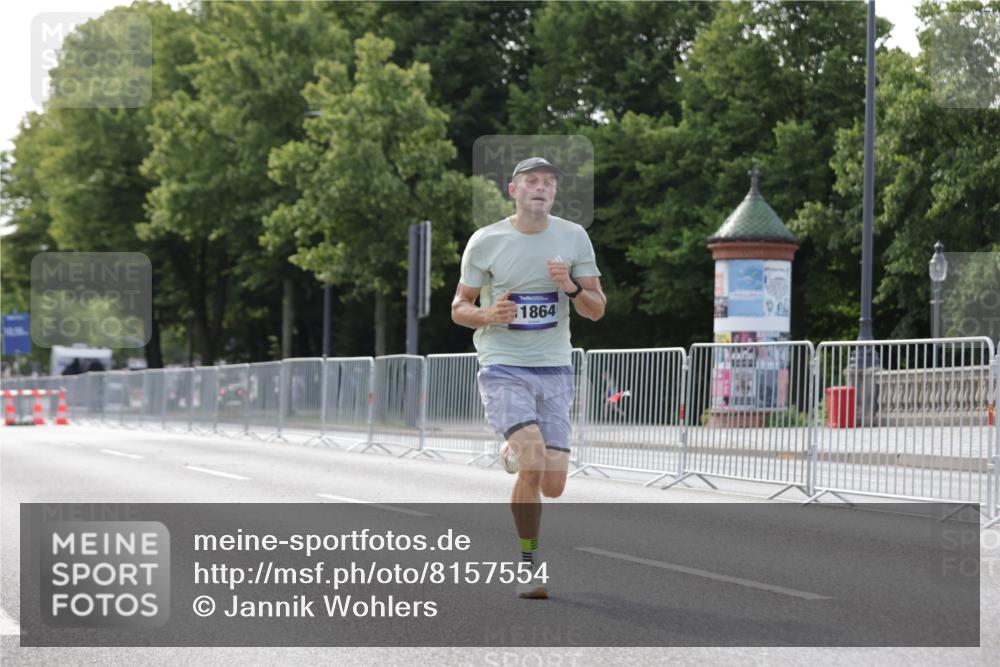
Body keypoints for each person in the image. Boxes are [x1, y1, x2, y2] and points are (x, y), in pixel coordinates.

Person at [451, 156, 606, 599]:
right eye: (531, 181)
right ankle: (528, 565)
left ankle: (514, 449)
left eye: (549, 182)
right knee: (535, 460)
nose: (541, 187)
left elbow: (597, 308)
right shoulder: (486, 241)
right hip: (503, 365)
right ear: (513, 190)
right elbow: (458, 307)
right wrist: (487, 313)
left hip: (555, 369)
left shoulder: (573, 237)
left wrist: (572, 288)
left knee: (553, 485)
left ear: (554, 192)